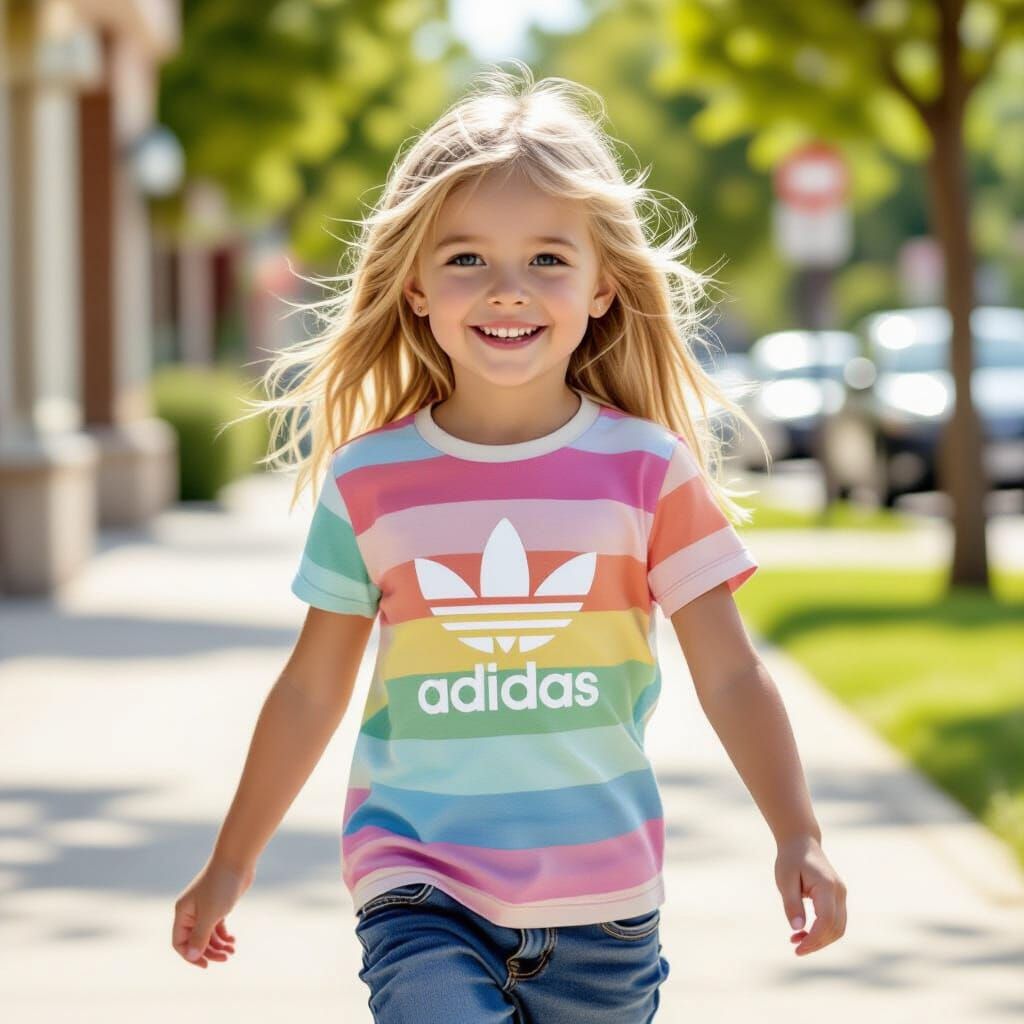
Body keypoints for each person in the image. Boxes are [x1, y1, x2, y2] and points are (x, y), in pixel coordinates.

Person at [171, 61, 847, 1021]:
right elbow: (311, 688)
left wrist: (798, 833)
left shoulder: (648, 471)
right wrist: (231, 862)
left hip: (604, 909)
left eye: (546, 260)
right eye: (466, 260)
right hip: (419, 886)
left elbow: (732, 673)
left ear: (603, 287)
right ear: (414, 287)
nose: (506, 291)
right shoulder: (369, 481)